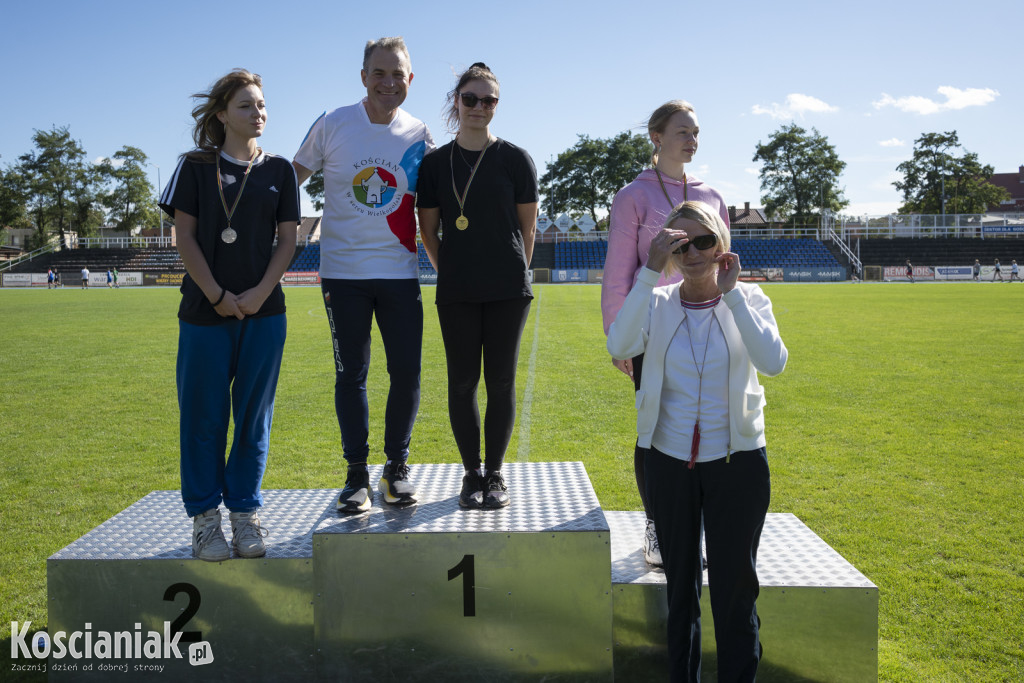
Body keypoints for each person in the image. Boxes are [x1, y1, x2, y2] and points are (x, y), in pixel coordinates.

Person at [607, 201, 787, 682]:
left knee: (735, 593)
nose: (693, 252)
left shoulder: (748, 300)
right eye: (678, 243)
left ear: (721, 247)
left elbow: (773, 362)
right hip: (668, 463)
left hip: (738, 464)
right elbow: (619, 346)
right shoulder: (657, 302)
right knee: (680, 593)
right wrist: (647, 272)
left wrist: (732, 297)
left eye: (703, 241)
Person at [159, 69, 299, 561]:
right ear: (221, 114)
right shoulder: (194, 166)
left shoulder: (279, 170)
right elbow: (185, 238)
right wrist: (219, 295)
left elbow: (289, 241)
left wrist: (261, 292)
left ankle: (244, 514)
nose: (257, 113)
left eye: (261, 105)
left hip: (265, 312)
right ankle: (205, 521)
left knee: (254, 419)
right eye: (246, 105)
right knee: (203, 417)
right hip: (205, 312)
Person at [293, 37, 434, 513]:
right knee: (350, 374)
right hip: (343, 275)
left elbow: (438, 199)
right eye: (379, 73)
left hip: (399, 273)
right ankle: (356, 476)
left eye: (397, 74)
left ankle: (397, 469)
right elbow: (291, 177)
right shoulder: (333, 123)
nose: (388, 82)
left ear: (410, 80)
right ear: (363, 77)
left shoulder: (420, 133)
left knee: (406, 373)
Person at [601, 100, 730, 567]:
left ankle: (705, 527)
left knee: (709, 426)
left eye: (695, 132)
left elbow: (724, 261)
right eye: (682, 131)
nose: (691, 140)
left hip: (710, 326)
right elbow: (618, 270)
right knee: (654, 430)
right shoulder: (632, 196)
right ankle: (658, 527)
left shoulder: (712, 196)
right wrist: (620, 332)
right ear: (656, 137)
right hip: (655, 328)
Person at [417, 63, 538, 509]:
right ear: (457, 100)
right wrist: (449, 268)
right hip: (457, 290)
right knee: (462, 381)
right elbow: (428, 231)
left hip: (508, 289)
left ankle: (496, 474)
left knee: (501, 381)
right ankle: (471, 475)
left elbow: (528, 229)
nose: (479, 107)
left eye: (489, 100)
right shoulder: (434, 164)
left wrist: (516, 271)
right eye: (471, 98)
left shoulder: (515, 158)